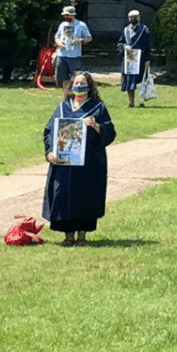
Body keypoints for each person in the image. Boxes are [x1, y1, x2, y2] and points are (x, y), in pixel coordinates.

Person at [43, 72, 117, 245]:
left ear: (90, 86)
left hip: (89, 163)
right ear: (71, 86)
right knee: (64, 195)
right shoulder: (63, 107)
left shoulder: (98, 108)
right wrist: (49, 152)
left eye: (83, 83)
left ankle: (82, 236)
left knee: (85, 197)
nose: (79, 86)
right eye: (76, 83)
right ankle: (68, 236)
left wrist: (96, 126)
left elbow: (111, 133)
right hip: (65, 163)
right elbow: (49, 131)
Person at [118, 9, 152, 108]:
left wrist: (147, 59)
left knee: (141, 81)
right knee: (129, 81)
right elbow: (120, 43)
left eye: (135, 17)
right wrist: (125, 47)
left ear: (139, 17)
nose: (133, 19)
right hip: (129, 60)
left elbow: (148, 45)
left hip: (141, 59)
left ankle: (141, 102)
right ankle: (131, 102)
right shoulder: (125, 30)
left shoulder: (144, 30)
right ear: (128, 18)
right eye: (131, 17)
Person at [53, 6, 90, 86]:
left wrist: (80, 41)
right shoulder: (62, 25)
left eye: (68, 15)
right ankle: (66, 93)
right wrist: (59, 43)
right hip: (62, 55)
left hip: (75, 56)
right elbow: (57, 37)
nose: (66, 17)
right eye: (65, 16)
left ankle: (75, 91)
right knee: (62, 77)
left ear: (73, 15)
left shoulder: (81, 25)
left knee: (76, 76)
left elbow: (89, 38)